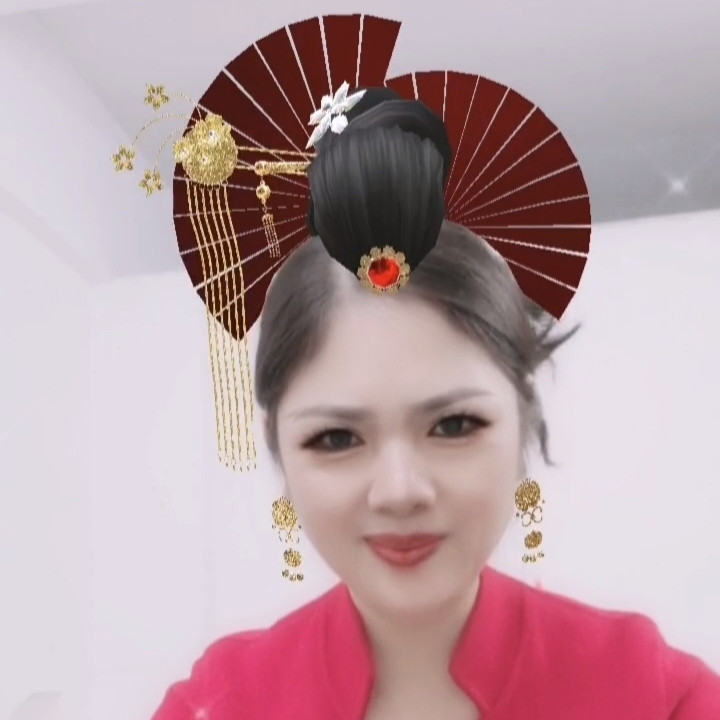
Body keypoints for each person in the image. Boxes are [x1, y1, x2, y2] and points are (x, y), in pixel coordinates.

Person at [133, 13, 720, 720]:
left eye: (454, 424)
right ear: (279, 451)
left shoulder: (657, 695)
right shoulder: (220, 704)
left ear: (525, 422)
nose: (400, 491)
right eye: (336, 438)